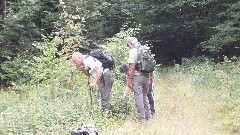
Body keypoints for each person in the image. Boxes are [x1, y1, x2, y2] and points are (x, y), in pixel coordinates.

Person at [125, 37, 154, 122]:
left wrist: (129, 80)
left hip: (138, 76)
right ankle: (148, 116)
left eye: (128, 45)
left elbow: (132, 67)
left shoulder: (133, 51)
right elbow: (151, 64)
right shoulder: (145, 49)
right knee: (145, 96)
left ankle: (142, 119)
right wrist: (151, 76)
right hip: (147, 75)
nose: (129, 47)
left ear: (131, 43)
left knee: (139, 96)